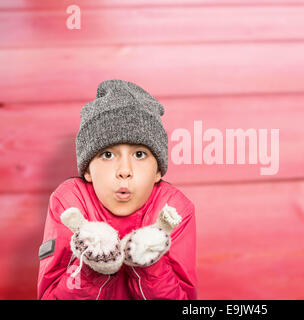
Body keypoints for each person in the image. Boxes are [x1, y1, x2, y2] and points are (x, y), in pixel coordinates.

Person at [37, 80, 197, 300]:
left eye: (139, 154)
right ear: (88, 170)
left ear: (158, 170)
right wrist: (91, 269)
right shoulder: (69, 202)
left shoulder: (174, 210)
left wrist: (150, 266)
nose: (124, 171)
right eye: (108, 155)